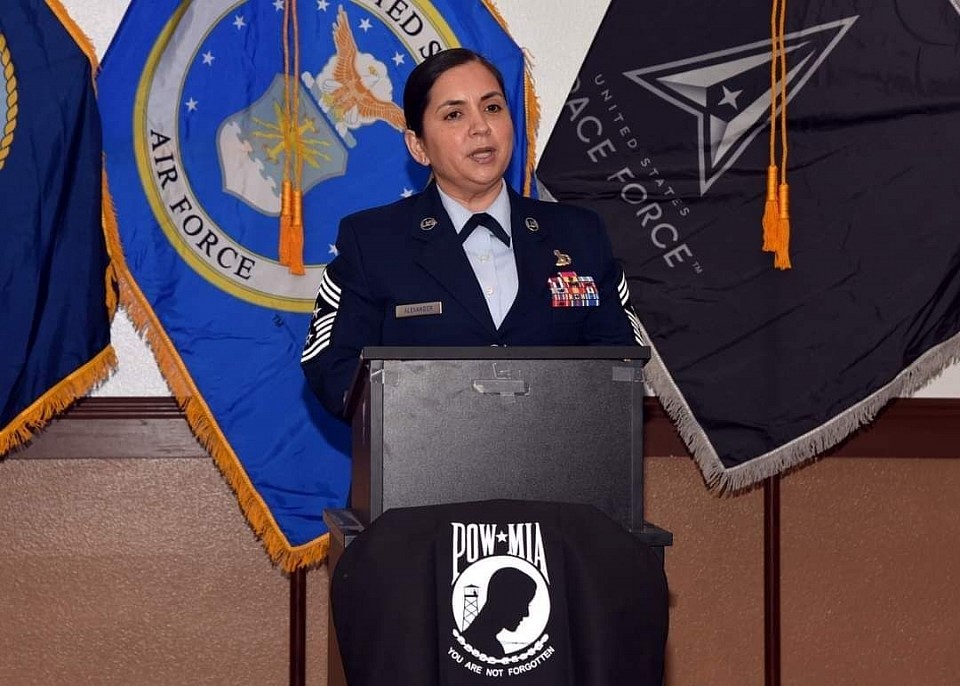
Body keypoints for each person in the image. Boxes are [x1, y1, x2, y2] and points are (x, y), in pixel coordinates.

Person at [301, 48, 643, 416]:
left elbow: (623, 360)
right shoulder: (371, 241)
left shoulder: (579, 233)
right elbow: (334, 368)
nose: (480, 127)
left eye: (492, 108)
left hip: (562, 460)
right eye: (454, 114)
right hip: (423, 464)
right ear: (418, 147)